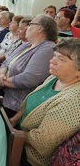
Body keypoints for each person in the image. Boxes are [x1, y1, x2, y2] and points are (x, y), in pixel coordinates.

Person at [10, 38, 80, 166]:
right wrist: (14, 120)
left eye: (61, 59)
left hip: (32, 158)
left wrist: (10, 133)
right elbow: (28, 105)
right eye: (54, 56)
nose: (52, 61)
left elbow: (42, 142)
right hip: (19, 137)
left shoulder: (75, 100)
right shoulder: (54, 78)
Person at [0, 14, 58, 118]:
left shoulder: (47, 49)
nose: (26, 27)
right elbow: (5, 62)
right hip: (4, 92)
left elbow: (28, 78)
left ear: (40, 28)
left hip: (17, 105)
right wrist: (1, 76)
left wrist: (3, 81)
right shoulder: (27, 45)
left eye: (30, 24)